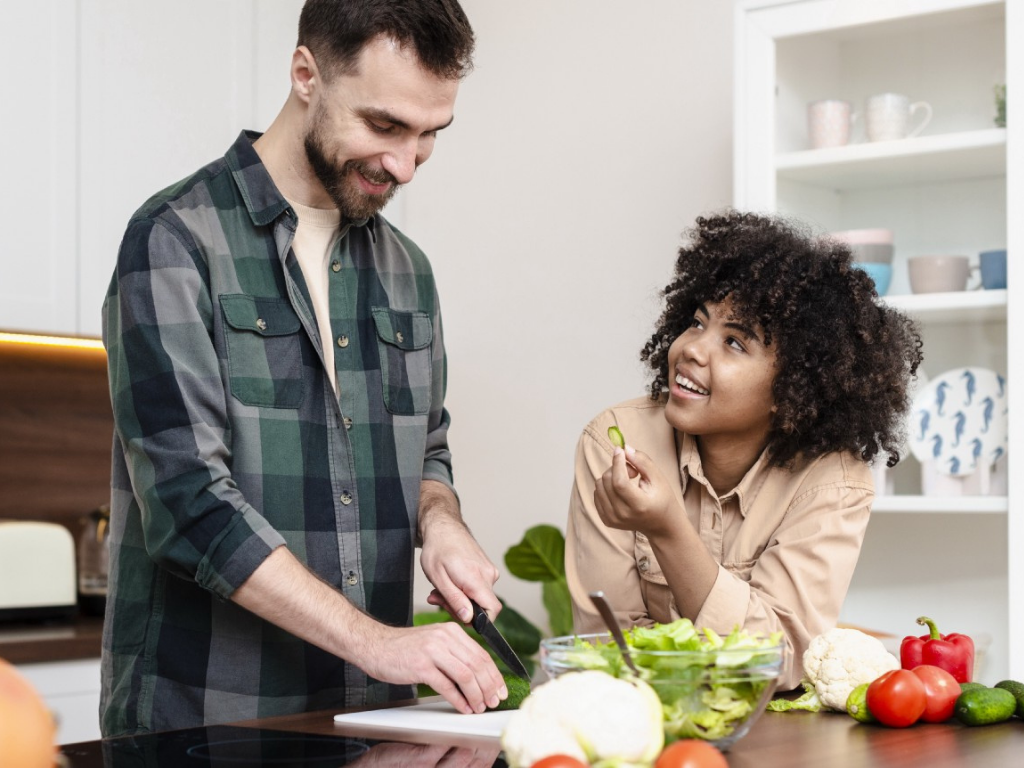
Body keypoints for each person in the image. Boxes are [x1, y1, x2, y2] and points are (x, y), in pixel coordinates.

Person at [100, 0, 507, 737]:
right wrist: (378, 642)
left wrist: (440, 522)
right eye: (384, 126)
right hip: (208, 726)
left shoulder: (408, 271)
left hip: (372, 727)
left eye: (429, 135)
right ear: (305, 75)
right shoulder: (173, 240)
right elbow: (190, 506)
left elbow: (428, 448)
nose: (405, 164)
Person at [565, 211, 923, 689]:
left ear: (794, 387)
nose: (692, 348)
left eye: (734, 342)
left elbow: (782, 660)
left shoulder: (832, 480)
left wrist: (668, 530)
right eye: (697, 322)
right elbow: (608, 645)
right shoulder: (613, 441)